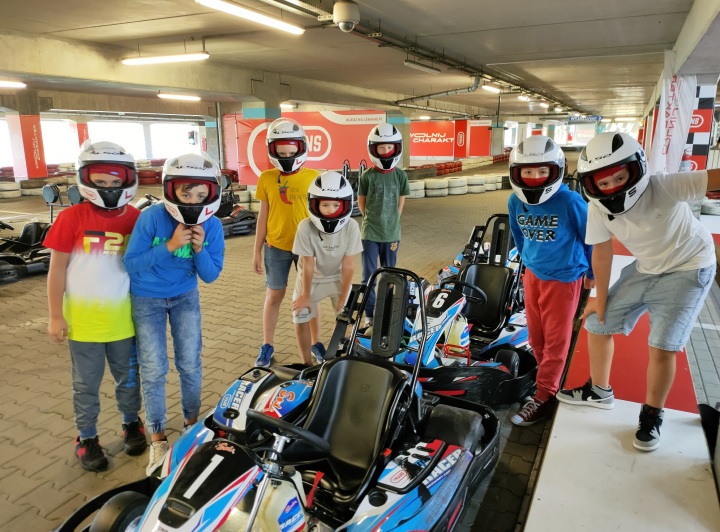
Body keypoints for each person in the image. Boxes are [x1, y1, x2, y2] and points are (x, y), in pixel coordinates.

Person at [557, 131, 720, 452]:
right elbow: (602, 252)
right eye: (604, 183)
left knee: (662, 346)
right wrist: (601, 299)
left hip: (691, 267)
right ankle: (599, 391)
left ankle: (652, 415)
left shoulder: (666, 185)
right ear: (591, 185)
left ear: (637, 168)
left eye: (620, 177)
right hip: (646, 267)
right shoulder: (598, 207)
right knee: (597, 322)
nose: (612, 187)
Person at [44, 140, 146, 472]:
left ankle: (132, 423)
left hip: (123, 321)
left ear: (127, 180)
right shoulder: (71, 217)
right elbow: (57, 270)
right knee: (85, 385)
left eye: (115, 181)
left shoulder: (136, 219)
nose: (108, 187)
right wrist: (55, 315)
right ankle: (87, 437)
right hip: (83, 324)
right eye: (100, 181)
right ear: (85, 180)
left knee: (128, 379)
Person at [123, 152, 225, 475]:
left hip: (185, 296)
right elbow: (130, 264)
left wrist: (198, 248)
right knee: (154, 368)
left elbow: (210, 275)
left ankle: (192, 426)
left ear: (211, 194)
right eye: (186, 194)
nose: (193, 201)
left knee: (190, 363)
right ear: (171, 190)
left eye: (200, 195)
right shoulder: (152, 218)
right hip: (147, 298)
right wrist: (169, 245)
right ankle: (157, 438)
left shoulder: (212, 225)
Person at [506, 136, 594, 426]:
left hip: (565, 278)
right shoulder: (515, 201)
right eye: (528, 171)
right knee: (536, 337)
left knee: (557, 339)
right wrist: (527, 263)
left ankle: (545, 393)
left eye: (542, 171)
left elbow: (591, 237)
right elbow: (518, 236)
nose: (535, 177)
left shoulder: (570, 201)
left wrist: (592, 273)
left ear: (556, 170)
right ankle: (546, 377)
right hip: (533, 275)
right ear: (517, 172)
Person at [253, 118, 319, 367]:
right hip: (276, 246)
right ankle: (267, 345)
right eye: (282, 154)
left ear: (301, 148)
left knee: (308, 296)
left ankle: (316, 343)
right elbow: (263, 216)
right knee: (274, 295)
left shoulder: (313, 177)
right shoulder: (266, 178)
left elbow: (320, 215)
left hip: (307, 248)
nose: (287, 157)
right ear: (273, 151)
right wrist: (256, 251)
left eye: (291, 153)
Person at [291, 171, 363, 364]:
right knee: (300, 314)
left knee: (346, 317)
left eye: (336, 205)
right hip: (310, 278)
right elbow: (308, 264)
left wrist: (344, 297)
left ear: (345, 205)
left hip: (338, 277)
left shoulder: (352, 226)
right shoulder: (305, 227)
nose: (330, 210)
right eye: (325, 205)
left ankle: (338, 361)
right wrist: (305, 295)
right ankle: (306, 364)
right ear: (315, 204)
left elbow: (349, 265)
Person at [358, 122, 410, 326]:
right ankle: (369, 316)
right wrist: (371, 219)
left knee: (389, 276)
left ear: (396, 148)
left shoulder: (401, 176)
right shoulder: (367, 176)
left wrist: (392, 220)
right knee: (368, 276)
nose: (386, 151)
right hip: (370, 234)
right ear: (374, 149)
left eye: (390, 147)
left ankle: (385, 313)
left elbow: (400, 202)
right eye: (382, 147)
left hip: (392, 235)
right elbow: (361, 202)